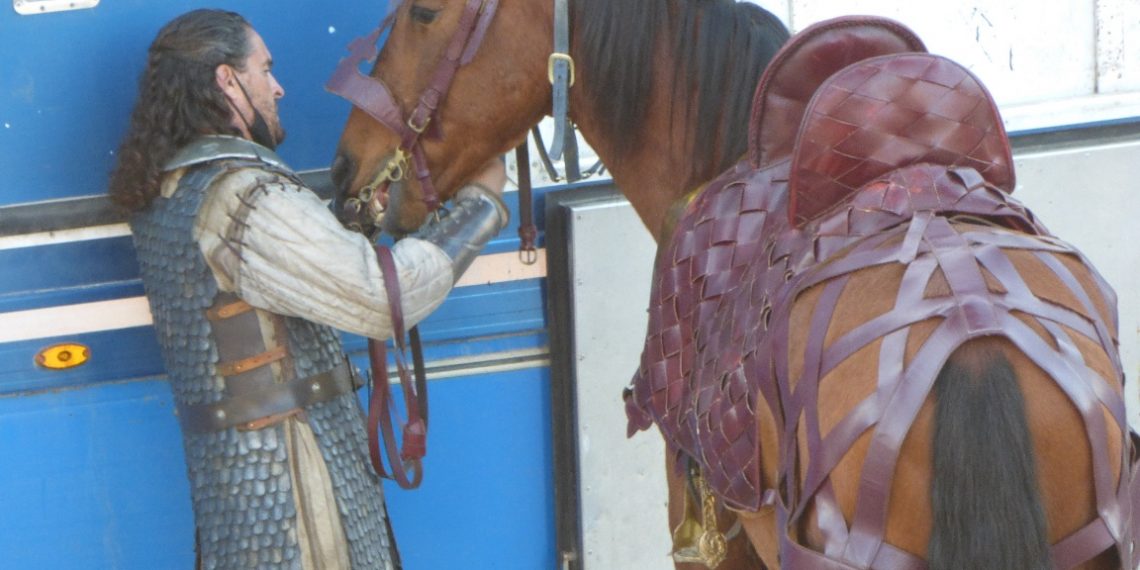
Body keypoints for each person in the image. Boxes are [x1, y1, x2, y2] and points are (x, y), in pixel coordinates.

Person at [108, 9, 509, 570]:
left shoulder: (173, 190)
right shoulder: (241, 197)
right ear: (227, 80)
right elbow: (381, 297)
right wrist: (482, 205)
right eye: (264, 69)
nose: (278, 87)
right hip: (294, 485)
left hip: (247, 489)